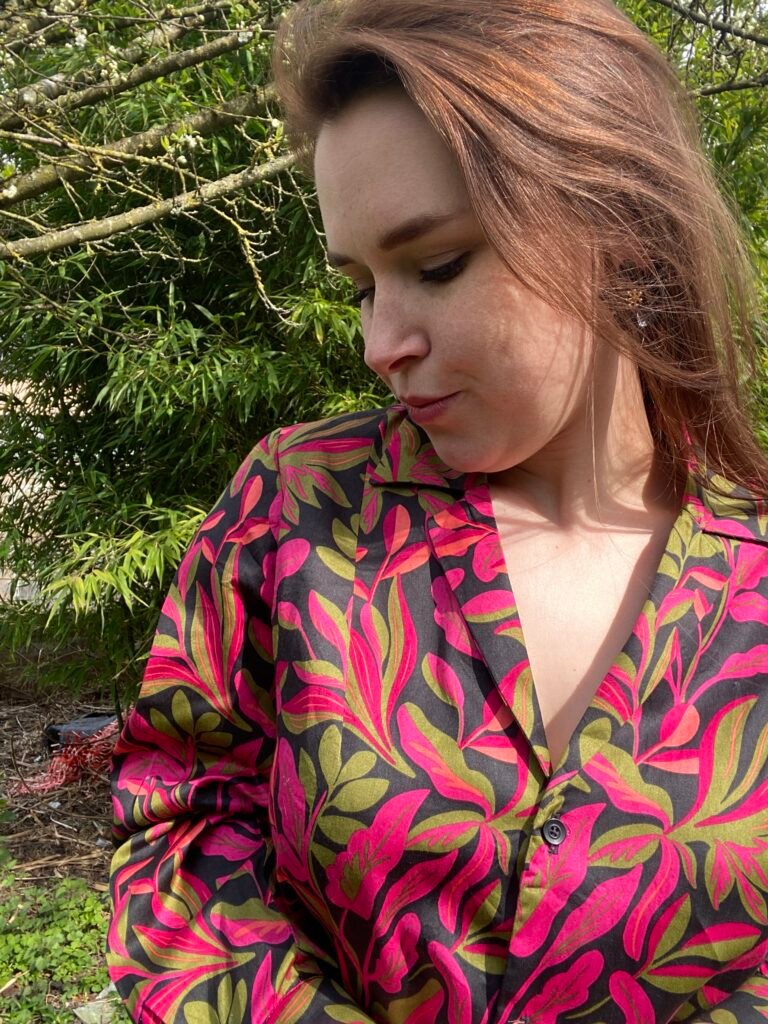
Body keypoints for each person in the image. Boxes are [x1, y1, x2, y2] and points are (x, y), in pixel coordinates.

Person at [106, 1, 768, 1021]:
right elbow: (182, 831)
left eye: (438, 264)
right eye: (361, 286)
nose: (381, 344)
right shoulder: (298, 511)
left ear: (620, 231)